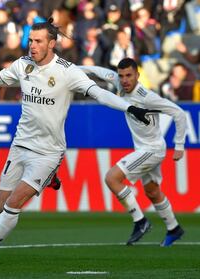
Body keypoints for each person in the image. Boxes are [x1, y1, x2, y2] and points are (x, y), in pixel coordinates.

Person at [0, 19, 158, 264]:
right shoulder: (23, 65)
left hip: (48, 152)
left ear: (52, 43)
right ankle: (49, 179)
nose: (32, 46)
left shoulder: (68, 71)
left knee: (14, 202)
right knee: (1, 205)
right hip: (20, 145)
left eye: (38, 41)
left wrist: (130, 107)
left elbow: (100, 93)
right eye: (30, 40)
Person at [79, 58, 186, 246]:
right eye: (121, 76)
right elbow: (96, 70)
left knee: (112, 178)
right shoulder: (118, 83)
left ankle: (140, 221)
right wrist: (68, 69)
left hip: (151, 149)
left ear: (137, 75)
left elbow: (179, 113)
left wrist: (179, 146)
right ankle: (174, 228)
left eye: (129, 75)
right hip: (146, 147)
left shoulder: (147, 97)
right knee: (152, 191)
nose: (125, 80)